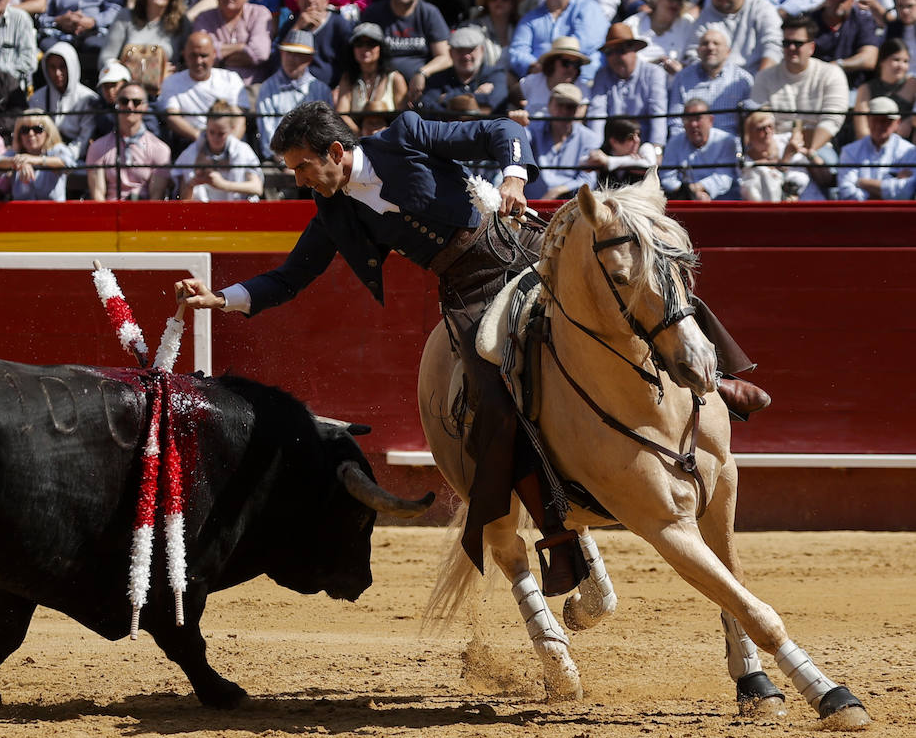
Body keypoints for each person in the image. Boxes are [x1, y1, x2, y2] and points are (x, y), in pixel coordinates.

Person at [175, 99, 767, 596]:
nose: (299, 180)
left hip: (518, 243)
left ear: (334, 153)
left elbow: (502, 130)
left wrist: (513, 177)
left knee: (643, 284)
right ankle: (557, 530)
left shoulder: (403, 136)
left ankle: (719, 379)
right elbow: (288, 279)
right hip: (469, 291)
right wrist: (221, 299)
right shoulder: (332, 214)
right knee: (492, 394)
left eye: (303, 167)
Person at [750, 15, 847, 174]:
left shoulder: (831, 74)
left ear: (812, 47)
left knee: (829, 172)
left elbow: (832, 120)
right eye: (787, 43)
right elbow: (759, 119)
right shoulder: (764, 77)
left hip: (818, 146)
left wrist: (809, 152)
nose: (792, 48)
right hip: (774, 145)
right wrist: (781, 156)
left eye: (798, 43)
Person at [508, 0, 609, 87]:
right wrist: (535, 66)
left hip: (583, 82)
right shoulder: (530, 18)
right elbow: (517, 52)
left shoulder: (589, 8)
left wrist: (551, 66)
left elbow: (586, 43)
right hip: (541, 82)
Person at [358, 0, 451, 99]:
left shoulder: (429, 13)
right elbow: (360, 51)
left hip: (422, 87)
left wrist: (423, 73)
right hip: (381, 86)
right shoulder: (374, 13)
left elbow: (445, 57)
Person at [158, 30, 250, 149]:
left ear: (214, 54)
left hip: (228, 141)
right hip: (190, 142)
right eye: (193, 55)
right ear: (184, 54)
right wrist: (202, 139)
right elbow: (172, 117)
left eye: (203, 55)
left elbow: (239, 119)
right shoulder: (172, 82)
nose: (198, 61)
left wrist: (229, 147)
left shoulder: (231, 79)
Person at [100, 0, 192, 81]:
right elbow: (105, 58)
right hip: (126, 90)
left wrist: (176, 71)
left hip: (164, 89)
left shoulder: (182, 23)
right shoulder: (125, 17)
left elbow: (189, 63)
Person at [585, 22, 667, 153]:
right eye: (609, 52)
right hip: (613, 149)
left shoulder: (653, 73)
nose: (615, 57)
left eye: (620, 50)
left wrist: (656, 149)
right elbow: (597, 113)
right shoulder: (602, 75)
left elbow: (658, 113)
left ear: (634, 50)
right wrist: (595, 150)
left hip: (643, 147)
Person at [85, 81, 171, 200]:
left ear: (145, 107)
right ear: (117, 105)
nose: (130, 106)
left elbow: (156, 198)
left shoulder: (160, 149)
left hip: (144, 214)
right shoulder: (97, 147)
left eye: (136, 102)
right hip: (110, 214)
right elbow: (98, 197)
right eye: (124, 101)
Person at [691, 0, 780, 75]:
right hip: (714, 81)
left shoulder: (762, 9)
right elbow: (693, 53)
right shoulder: (705, 16)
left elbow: (774, 47)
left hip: (757, 78)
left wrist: (760, 83)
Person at [192, 0, 272, 85]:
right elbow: (200, 53)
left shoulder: (260, 14)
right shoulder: (204, 18)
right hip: (211, 86)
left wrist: (218, 57)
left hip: (249, 88)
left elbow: (260, 53)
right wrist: (242, 47)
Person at [256, 28, 332, 155]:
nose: (292, 59)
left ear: (310, 59)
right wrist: (286, 161)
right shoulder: (267, 88)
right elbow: (267, 134)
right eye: (289, 53)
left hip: (314, 160)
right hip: (278, 161)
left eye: (299, 54)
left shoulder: (322, 90)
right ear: (281, 54)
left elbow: (326, 132)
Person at [668, 26, 753, 138]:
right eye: (705, 43)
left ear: (728, 51)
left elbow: (750, 121)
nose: (710, 47)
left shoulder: (743, 80)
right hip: (692, 146)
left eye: (716, 43)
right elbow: (676, 122)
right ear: (698, 51)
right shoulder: (683, 78)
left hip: (731, 147)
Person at [172, 99, 262, 200]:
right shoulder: (191, 153)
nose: (215, 138)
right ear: (206, 128)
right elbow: (184, 200)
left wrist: (223, 185)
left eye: (221, 134)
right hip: (202, 212)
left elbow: (257, 187)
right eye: (211, 132)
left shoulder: (243, 151)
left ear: (232, 129)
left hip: (237, 212)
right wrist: (192, 183)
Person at [525, 80, 597, 200]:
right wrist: (517, 126)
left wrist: (558, 191)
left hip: (569, 210)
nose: (564, 111)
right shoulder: (533, 129)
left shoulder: (589, 138)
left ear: (578, 110)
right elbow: (517, 142)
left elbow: (588, 180)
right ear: (549, 105)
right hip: (529, 208)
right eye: (560, 104)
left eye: (570, 107)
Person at [276, 0, 350, 88]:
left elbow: (349, 63)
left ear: (326, 0)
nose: (310, 0)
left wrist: (341, 88)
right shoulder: (291, 23)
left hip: (329, 90)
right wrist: (297, 28)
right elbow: (277, 59)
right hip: (291, 88)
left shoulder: (338, 24)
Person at [836, 97, 916, 202]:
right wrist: (889, 190)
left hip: (895, 216)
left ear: (897, 122)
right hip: (860, 215)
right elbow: (846, 192)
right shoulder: (850, 151)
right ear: (868, 120)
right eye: (875, 119)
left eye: (885, 121)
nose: (879, 125)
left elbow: (905, 192)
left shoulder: (909, 151)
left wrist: (861, 182)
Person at [28, 41, 100, 156]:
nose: (57, 73)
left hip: (77, 159)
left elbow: (85, 138)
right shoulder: (37, 97)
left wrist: (66, 156)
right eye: (52, 67)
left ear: (72, 66)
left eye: (62, 67)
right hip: (45, 158)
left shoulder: (88, 98)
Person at [333, 21, 406, 133]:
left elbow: (403, 118)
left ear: (381, 48)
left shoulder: (395, 79)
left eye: (371, 43)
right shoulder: (347, 78)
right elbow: (342, 115)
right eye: (359, 44)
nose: (364, 49)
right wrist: (361, 135)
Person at [660, 98, 740, 201]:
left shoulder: (726, 141)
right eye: (688, 119)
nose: (693, 124)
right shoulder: (674, 142)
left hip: (723, 203)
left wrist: (699, 188)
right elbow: (666, 177)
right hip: (683, 201)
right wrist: (689, 193)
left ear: (710, 120)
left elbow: (725, 176)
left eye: (698, 118)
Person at [419, 25, 507, 118]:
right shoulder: (438, 78)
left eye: (471, 50)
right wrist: (475, 97)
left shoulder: (495, 74)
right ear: (450, 53)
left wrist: (446, 98)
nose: (466, 56)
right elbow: (428, 106)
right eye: (460, 50)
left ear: (481, 50)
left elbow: (493, 102)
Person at [809, 0, 880, 85]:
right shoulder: (810, 21)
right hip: (815, 82)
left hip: (851, 86)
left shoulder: (863, 20)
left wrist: (838, 65)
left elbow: (870, 59)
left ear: (852, 0)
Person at [0, 108, 76, 200]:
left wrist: (35, 160)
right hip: (22, 211)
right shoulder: (16, 154)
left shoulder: (56, 149)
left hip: (53, 211)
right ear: (19, 135)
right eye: (25, 130)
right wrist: (17, 162)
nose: (31, 134)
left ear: (47, 132)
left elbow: (69, 164)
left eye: (37, 129)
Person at [737, 106, 818, 202]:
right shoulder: (744, 158)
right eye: (761, 129)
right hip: (769, 207)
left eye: (770, 126)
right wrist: (786, 157)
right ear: (749, 133)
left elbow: (819, 173)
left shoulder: (786, 140)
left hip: (807, 198)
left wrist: (809, 153)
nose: (767, 131)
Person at [622, 0, 693, 76]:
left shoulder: (687, 24)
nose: (675, 4)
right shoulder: (632, 24)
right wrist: (653, 65)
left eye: (680, 0)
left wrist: (680, 70)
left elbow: (694, 60)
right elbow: (622, 61)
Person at [854, 39, 916, 143]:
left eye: (906, 61)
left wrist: (910, 120)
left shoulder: (913, 84)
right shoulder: (866, 88)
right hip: (872, 146)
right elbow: (862, 130)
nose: (901, 66)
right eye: (896, 60)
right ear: (882, 61)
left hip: (906, 149)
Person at [517, 35, 589, 119]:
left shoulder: (582, 89)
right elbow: (513, 94)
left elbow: (577, 123)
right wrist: (519, 109)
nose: (571, 68)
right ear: (552, 62)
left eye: (576, 64)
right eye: (566, 63)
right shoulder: (533, 81)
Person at [469, 0, 522, 79]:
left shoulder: (523, 27)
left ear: (513, 2)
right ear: (486, 2)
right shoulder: (474, 28)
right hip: (483, 82)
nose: (499, 1)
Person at [584, 116, 655, 187]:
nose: (637, 140)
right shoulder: (605, 151)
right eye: (630, 138)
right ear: (614, 141)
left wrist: (608, 161)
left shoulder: (645, 147)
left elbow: (650, 166)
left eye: (638, 135)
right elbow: (582, 163)